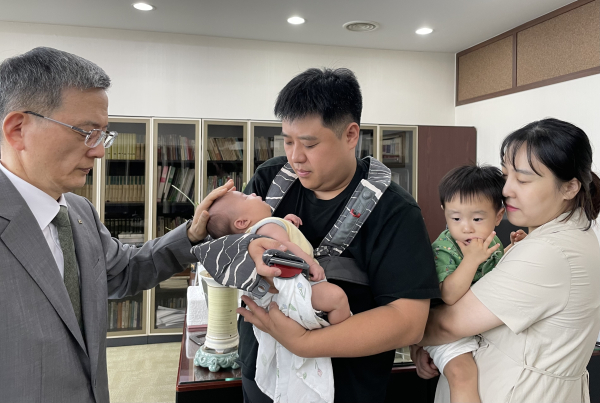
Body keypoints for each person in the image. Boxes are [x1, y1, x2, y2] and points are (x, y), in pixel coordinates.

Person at [0, 46, 233, 403]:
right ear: (18, 129)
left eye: (103, 135)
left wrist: (192, 233)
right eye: (85, 132)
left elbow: (123, 272)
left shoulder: (78, 212)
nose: (99, 151)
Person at [195, 67, 440, 403]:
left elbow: (408, 321)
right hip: (263, 378)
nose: (295, 156)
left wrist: (305, 343)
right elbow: (223, 249)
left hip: (345, 390)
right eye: (288, 140)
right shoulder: (272, 181)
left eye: (309, 143)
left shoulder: (394, 211)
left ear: (350, 135)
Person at [413, 118, 600, 403]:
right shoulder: (563, 237)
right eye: (505, 175)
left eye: (522, 180)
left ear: (569, 188)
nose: (506, 190)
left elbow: (447, 325)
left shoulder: (550, 251)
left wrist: (415, 337)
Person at [423, 165, 525, 403]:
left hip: (475, 328)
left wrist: (512, 249)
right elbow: (448, 295)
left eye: (477, 219)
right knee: (463, 376)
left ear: (498, 216)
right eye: (455, 218)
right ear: (445, 212)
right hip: (445, 331)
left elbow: (492, 271)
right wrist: (470, 260)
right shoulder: (444, 248)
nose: (466, 227)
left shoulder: (488, 242)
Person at [206, 190, 351, 324]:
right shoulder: (267, 226)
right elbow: (286, 246)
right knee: (337, 298)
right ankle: (338, 335)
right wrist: (312, 265)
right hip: (299, 282)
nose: (253, 194)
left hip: (275, 292)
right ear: (242, 222)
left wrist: (285, 224)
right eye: (246, 197)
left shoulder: (254, 235)